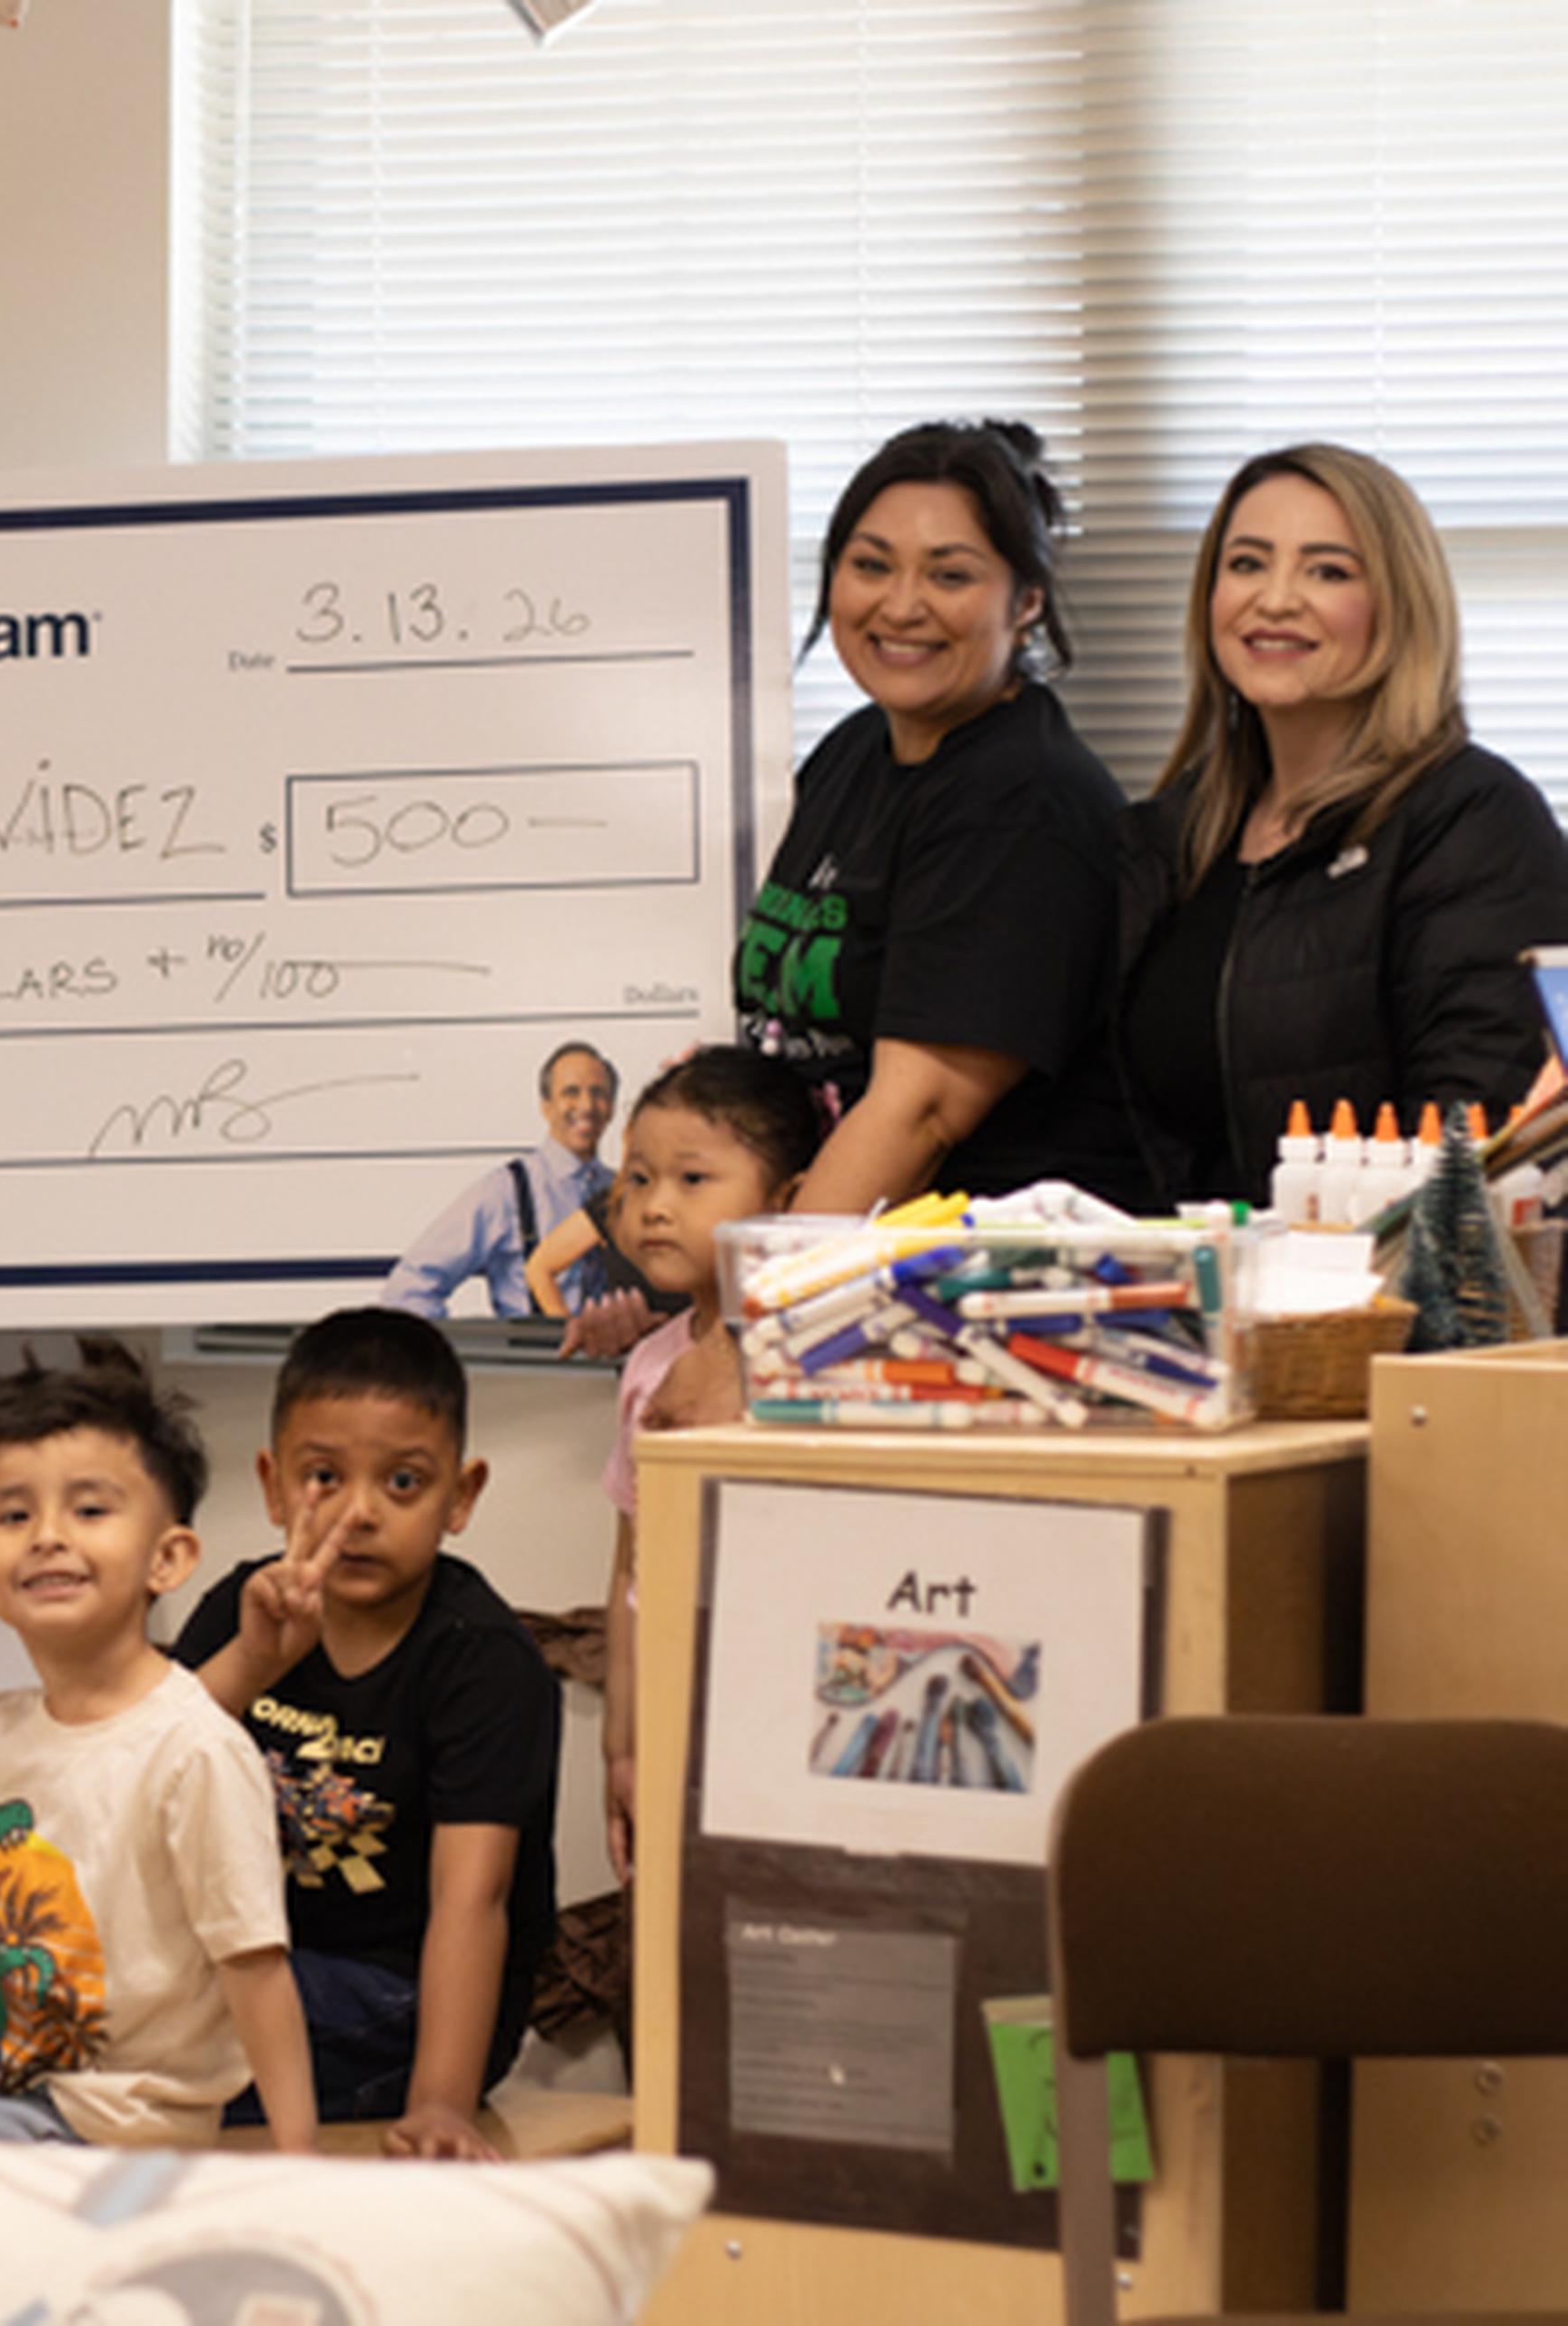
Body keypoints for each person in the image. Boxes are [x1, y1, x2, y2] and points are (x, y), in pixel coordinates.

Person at [1116, 443, 1568, 1205]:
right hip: (1197, 1301)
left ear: (1397, 606)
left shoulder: (1472, 818)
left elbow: (1482, 1150)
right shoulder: (1175, 833)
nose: (1276, 599)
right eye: (1248, 564)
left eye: (1328, 571)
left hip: (1387, 1310)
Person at [173, 1309, 559, 2159]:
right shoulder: (243, 1608)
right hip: (263, 1964)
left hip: (413, 2002)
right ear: (274, 1486)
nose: (358, 1515)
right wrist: (252, 1659)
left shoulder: (482, 1662)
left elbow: (475, 1898)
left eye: (404, 1483)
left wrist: (442, 2105)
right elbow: (147, 1777)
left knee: (148, 2031)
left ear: (461, 1496)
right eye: (323, 1479)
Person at [730, 419, 1136, 1218]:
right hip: (840, 1248)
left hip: (980, 1291)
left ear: (1026, 603)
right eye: (871, 565)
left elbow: (919, 1114)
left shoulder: (1021, 799)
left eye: (950, 577)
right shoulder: (855, 751)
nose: (901, 605)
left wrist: (757, 1317)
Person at [0, 1343, 316, 2151]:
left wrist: (297, 2161)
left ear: (169, 1558)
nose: (47, 1537)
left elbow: (255, 1968)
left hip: (120, 2129)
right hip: (0, 2093)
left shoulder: (194, 1750)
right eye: (12, 1515)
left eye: (89, 1510)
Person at [590, 1049, 820, 1882]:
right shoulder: (648, 1367)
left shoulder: (813, 1371)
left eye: (693, 1181)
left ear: (788, 1201)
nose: (654, 1208)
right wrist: (622, 1743)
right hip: (670, 1720)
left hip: (779, 1713)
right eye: (640, 1178)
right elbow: (630, 1572)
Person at [378, 1041, 619, 1319]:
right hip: (534, 1359)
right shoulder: (505, 1191)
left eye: (598, 1093)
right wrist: (447, 1357)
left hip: (612, 1361)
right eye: (571, 1092)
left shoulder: (624, 1190)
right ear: (546, 1106)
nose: (587, 1105)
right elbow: (408, 1289)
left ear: (611, 1108)